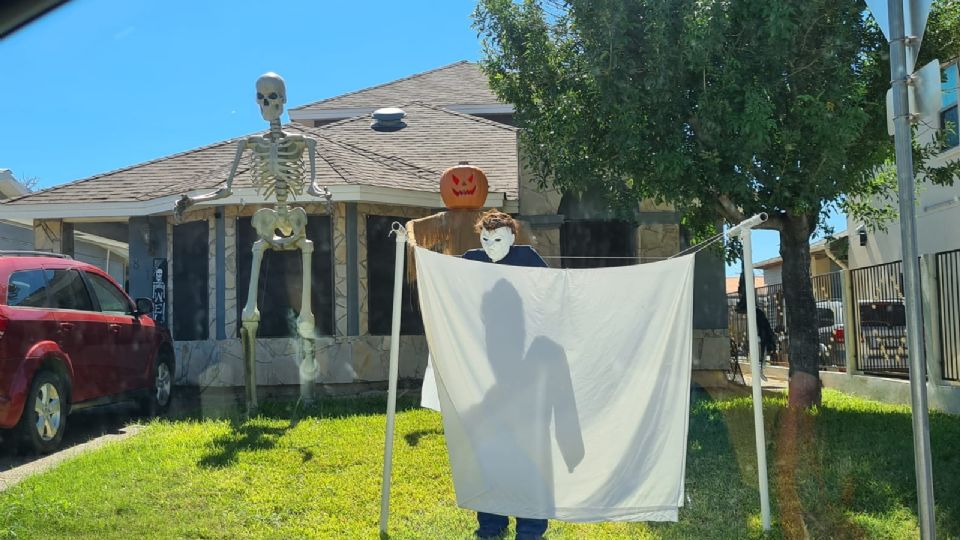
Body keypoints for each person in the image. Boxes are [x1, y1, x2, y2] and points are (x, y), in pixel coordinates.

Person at [462, 209, 549, 540]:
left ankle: (530, 528)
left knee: (530, 449)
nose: (490, 245)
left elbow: (551, 294)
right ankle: (491, 524)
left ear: (512, 237)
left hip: (526, 369)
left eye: (497, 239)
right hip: (485, 367)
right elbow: (450, 288)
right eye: (485, 238)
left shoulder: (528, 260)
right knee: (490, 448)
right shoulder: (470, 260)